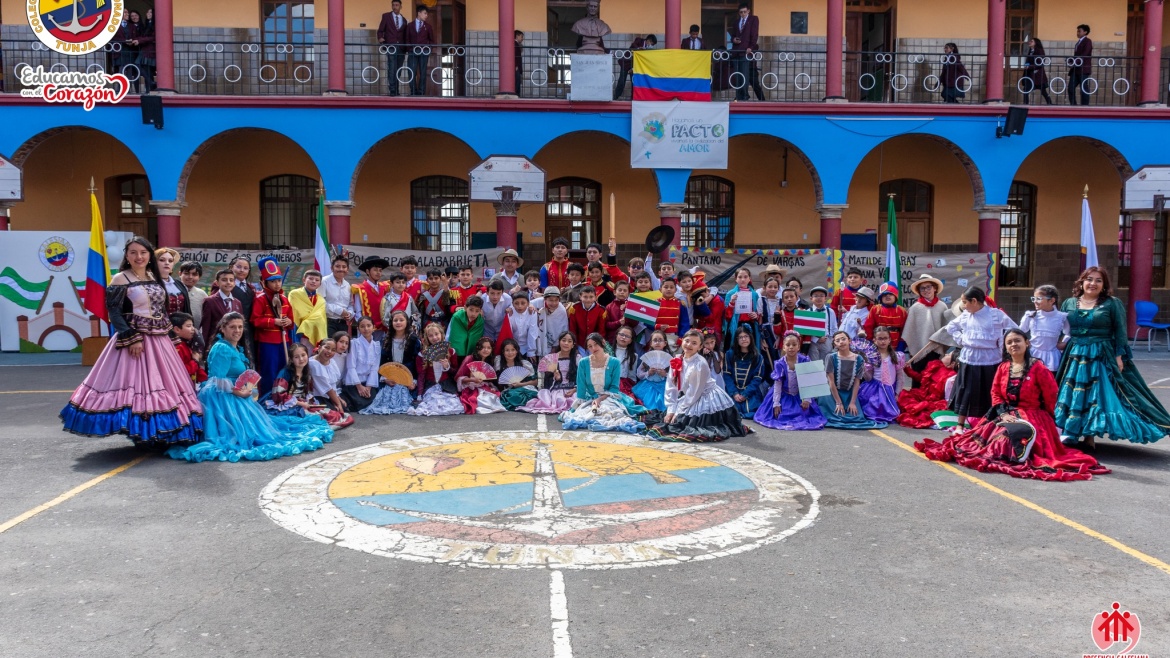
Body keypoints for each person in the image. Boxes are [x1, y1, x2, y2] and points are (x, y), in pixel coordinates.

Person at [62, 237, 204, 445]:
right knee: (137, 386)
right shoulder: (120, 278)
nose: (139, 257)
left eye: (143, 252)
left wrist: (170, 335)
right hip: (135, 339)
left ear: (149, 255)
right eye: (133, 252)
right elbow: (114, 312)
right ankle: (141, 431)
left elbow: (161, 309)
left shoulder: (153, 276)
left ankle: (163, 431)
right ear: (127, 256)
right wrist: (131, 338)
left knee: (164, 383)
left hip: (159, 340)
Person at [916, 329, 1109, 482]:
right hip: (1006, 413)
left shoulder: (1039, 368)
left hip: (1033, 416)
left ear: (1027, 343)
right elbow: (995, 393)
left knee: (1011, 441)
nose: (1014, 344)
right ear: (1006, 348)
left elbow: (1051, 396)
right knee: (982, 444)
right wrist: (1003, 413)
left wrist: (1050, 422)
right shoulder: (1003, 367)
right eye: (1009, 342)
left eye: (1017, 340)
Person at [166, 313, 333, 463]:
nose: (237, 330)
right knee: (240, 435)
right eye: (232, 327)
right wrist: (239, 392)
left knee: (264, 430)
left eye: (240, 327)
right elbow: (217, 379)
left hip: (234, 393)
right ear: (223, 328)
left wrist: (245, 390)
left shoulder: (233, 347)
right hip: (222, 396)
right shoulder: (222, 348)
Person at [1055, 267, 1170, 446]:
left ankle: (1090, 436)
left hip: (1102, 354)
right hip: (1074, 354)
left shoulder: (1112, 303)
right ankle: (1071, 433)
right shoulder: (1069, 303)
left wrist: (1119, 356)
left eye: (1098, 280)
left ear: (1104, 285)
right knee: (1071, 393)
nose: (1093, 283)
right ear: (1082, 282)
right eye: (1089, 279)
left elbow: (1120, 331)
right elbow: (1063, 329)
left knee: (1098, 395)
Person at [645, 329, 751, 442]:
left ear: (700, 347)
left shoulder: (700, 364)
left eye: (694, 343)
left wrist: (678, 412)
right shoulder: (676, 359)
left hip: (705, 396)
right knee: (668, 418)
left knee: (683, 422)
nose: (689, 345)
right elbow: (671, 386)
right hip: (689, 396)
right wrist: (671, 409)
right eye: (687, 341)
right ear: (682, 341)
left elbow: (694, 393)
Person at [946, 286, 1018, 432]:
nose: (963, 306)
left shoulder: (996, 314)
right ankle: (960, 425)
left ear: (974, 301)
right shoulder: (966, 315)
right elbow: (951, 327)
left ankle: (988, 424)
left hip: (990, 359)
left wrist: (1002, 342)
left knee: (989, 392)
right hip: (969, 358)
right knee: (966, 391)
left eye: (965, 302)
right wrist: (962, 339)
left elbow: (1014, 329)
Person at [560, 333, 648, 434]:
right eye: (590, 346)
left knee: (610, 413)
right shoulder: (583, 362)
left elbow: (614, 387)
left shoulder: (614, 362)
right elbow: (581, 385)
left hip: (608, 397)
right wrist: (581, 403)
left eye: (595, 344)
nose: (593, 348)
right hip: (590, 397)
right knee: (583, 415)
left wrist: (599, 399)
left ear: (603, 343)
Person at [262, 343, 352, 427]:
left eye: (303, 355)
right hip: (285, 403)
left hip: (301, 402)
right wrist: (299, 403)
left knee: (331, 415)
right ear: (291, 359)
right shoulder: (285, 373)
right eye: (296, 357)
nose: (301, 359)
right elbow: (278, 395)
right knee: (308, 421)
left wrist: (308, 402)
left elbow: (307, 392)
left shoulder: (306, 372)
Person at [755, 331, 826, 431]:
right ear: (784, 347)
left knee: (804, 414)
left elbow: (809, 381)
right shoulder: (780, 363)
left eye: (794, 345)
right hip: (783, 394)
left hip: (800, 395)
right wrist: (776, 403)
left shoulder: (804, 360)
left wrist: (807, 399)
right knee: (781, 414)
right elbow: (778, 385)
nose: (791, 347)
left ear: (798, 347)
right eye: (788, 345)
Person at [816, 331, 887, 429]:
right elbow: (831, 382)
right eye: (837, 340)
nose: (841, 342)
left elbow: (857, 382)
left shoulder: (859, 359)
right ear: (835, 344)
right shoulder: (831, 357)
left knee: (856, 417)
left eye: (843, 339)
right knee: (836, 417)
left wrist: (853, 402)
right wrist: (838, 403)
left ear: (849, 341)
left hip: (849, 394)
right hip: (831, 394)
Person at [362, 310, 420, 415]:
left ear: (407, 322)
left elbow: (417, 363)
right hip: (390, 379)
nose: (398, 322)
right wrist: (385, 379)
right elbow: (381, 362)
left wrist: (414, 381)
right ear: (391, 323)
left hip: (408, 379)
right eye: (395, 320)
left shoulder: (414, 340)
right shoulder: (386, 340)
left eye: (401, 320)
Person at [250, 257, 293, 397]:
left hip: (284, 341)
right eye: (273, 281)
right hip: (267, 342)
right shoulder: (260, 298)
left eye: (279, 280)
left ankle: (282, 397)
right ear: (265, 282)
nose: (277, 284)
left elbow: (291, 320)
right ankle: (266, 399)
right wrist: (274, 321)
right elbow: (255, 320)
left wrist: (288, 322)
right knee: (269, 371)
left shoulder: (284, 299)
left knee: (284, 371)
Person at [409, 322, 463, 416]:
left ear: (442, 334)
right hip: (430, 386)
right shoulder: (422, 355)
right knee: (432, 404)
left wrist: (447, 367)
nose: (434, 337)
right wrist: (420, 394)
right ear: (427, 338)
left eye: (436, 334)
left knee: (452, 405)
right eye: (430, 336)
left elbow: (456, 373)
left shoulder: (451, 352)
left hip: (447, 386)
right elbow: (421, 375)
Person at [517, 331, 578, 414]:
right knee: (559, 400)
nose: (566, 343)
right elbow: (546, 381)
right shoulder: (551, 358)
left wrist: (575, 389)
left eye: (569, 341)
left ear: (573, 345)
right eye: (563, 340)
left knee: (576, 400)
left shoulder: (577, 358)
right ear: (559, 342)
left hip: (573, 388)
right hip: (557, 389)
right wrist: (555, 378)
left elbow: (582, 377)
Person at [896, 348, 959, 429]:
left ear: (953, 363)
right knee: (903, 395)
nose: (945, 354)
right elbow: (921, 378)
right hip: (922, 395)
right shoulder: (936, 365)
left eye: (949, 355)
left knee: (920, 411)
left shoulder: (952, 377)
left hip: (934, 401)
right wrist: (907, 369)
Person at [903, 274, 951, 369]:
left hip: (937, 350)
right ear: (919, 291)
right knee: (919, 375)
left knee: (936, 375)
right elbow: (910, 331)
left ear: (935, 288)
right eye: (922, 288)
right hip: (919, 350)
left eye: (928, 287)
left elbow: (946, 328)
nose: (926, 290)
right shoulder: (915, 308)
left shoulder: (942, 306)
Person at [858, 327, 904, 424]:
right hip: (875, 389)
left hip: (890, 389)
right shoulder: (871, 357)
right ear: (874, 340)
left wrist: (897, 393)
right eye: (880, 339)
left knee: (894, 412)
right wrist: (864, 367)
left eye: (885, 338)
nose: (883, 341)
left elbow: (900, 377)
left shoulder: (897, 356)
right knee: (872, 408)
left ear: (889, 340)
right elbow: (869, 378)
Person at [1020, 284, 1069, 374]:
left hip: (1052, 358)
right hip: (1033, 355)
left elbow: (1069, 333)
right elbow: (1020, 332)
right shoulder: (1031, 316)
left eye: (1039, 298)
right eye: (1034, 298)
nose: (1035, 301)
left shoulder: (1062, 317)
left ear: (1052, 300)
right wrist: (1026, 342)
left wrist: (1064, 343)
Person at [340, 316, 381, 413]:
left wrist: (368, 387)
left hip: (368, 382)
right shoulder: (354, 343)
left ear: (374, 327)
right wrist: (359, 387)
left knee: (374, 401)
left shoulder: (376, 345)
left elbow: (374, 368)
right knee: (360, 404)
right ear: (358, 329)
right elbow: (351, 366)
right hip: (354, 382)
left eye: (369, 326)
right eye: (362, 326)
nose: (366, 329)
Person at [455, 337, 506, 414]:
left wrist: (491, 386)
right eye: (483, 347)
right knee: (474, 399)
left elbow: (490, 379)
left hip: (484, 386)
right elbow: (458, 378)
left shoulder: (490, 360)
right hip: (470, 387)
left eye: (489, 348)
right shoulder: (469, 358)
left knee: (494, 397)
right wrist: (472, 380)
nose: (486, 350)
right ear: (478, 348)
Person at [723, 326, 766, 416]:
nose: (744, 339)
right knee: (729, 411)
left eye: (746, 336)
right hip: (733, 390)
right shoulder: (729, 354)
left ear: (750, 337)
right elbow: (727, 375)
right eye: (740, 337)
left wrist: (745, 394)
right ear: (736, 339)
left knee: (752, 410)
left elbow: (757, 378)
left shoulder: (758, 357)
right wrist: (735, 393)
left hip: (750, 392)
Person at [308, 338, 351, 426]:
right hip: (317, 396)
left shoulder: (332, 362)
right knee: (334, 414)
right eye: (327, 348)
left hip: (329, 395)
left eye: (333, 350)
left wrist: (338, 398)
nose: (329, 351)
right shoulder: (313, 364)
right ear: (319, 347)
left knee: (346, 405)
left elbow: (333, 385)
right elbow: (327, 388)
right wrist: (338, 404)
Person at [728, 2, 762, 102]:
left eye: (744, 12)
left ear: (748, 11)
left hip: (746, 51)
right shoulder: (736, 22)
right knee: (737, 75)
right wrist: (734, 39)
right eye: (741, 12)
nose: (743, 14)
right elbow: (732, 35)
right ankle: (738, 96)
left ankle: (745, 96)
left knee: (744, 74)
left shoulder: (753, 19)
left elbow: (754, 34)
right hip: (736, 51)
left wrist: (751, 47)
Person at [632, 329, 672, 412]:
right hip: (648, 384)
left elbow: (675, 376)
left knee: (663, 403)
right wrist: (648, 373)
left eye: (660, 340)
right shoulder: (647, 357)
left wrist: (665, 374)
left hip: (664, 385)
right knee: (648, 403)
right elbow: (639, 373)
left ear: (665, 343)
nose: (657, 342)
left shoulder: (670, 358)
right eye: (655, 340)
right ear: (651, 343)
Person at [494, 338, 539, 410]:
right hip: (507, 390)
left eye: (513, 350)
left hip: (524, 388)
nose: (510, 353)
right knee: (512, 394)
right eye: (507, 350)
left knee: (517, 394)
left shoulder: (524, 364)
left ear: (517, 351)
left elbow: (535, 382)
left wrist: (520, 384)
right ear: (503, 351)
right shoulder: (499, 362)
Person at [289, 269, 329, 350]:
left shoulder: (321, 300)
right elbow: (297, 313)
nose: (313, 281)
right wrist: (308, 323)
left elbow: (321, 319)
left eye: (317, 280)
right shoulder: (294, 294)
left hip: (315, 333)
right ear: (304, 280)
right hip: (300, 332)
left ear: (320, 284)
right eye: (310, 279)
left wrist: (307, 322)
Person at [201, 269, 242, 347]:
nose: (228, 282)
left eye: (231, 280)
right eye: (224, 280)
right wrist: (204, 348)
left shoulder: (237, 303)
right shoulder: (210, 301)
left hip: (233, 344)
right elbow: (206, 327)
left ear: (234, 283)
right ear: (217, 283)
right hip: (215, 343)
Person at [353, 255, 391, 339]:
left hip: (383, 328)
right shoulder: (360, 289)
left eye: (380, 270)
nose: (378, 273)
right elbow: (358, 312)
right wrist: (364, 327)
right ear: (367, 271)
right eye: (375, 270)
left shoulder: (385, 288)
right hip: (366, 330)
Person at [865, 282, 908, 350]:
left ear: (895, 296)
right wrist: (871, 343)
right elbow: (868, 327)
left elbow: (905, 330)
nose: (887, 296)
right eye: (884, 295)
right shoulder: (875, 309)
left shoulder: (902, 311)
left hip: (896, 345)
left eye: (890, 294)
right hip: (878, 345)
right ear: (881, 297)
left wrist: (901, 345)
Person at [377, 0, 408, 96]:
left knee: (398, 69)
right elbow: (380, 30)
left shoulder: (404, 20)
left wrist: (406, 47)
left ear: (400, 6)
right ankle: (392, 90)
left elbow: (405, 34)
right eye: (393, 5)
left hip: (401, 48)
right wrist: (380, 38)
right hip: (391, 46)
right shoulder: (386, 16)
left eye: (397, 5)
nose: (395, 7)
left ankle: (397, 89)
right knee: (392, 67)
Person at [613, 34, 657, 100]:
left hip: (634, 66)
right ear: (648, 40)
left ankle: (632, 99)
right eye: (652, 44)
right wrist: (639, 49)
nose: (651, 45)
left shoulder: (648, 49)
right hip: (626, 63)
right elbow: (633, 45)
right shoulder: (639, 40)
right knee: (621, 82)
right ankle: (615, 97)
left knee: (634, 82)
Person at [446, 295, 485, 367]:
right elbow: (453, 335)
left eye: (477, 311)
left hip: (471, 353)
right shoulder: (457, 317)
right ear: (465, 308)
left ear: (480, 311)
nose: (473, 314)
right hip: (457, 352)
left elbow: (477, 338)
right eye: (471, 310)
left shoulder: (480, 320)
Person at [405, 4, 435, 96]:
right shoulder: (410, 25)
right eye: (425, 13)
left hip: (424, 52)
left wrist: (428, 49)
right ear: (419, 13)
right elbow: (407, 39)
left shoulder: (428, 26)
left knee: (423, 72)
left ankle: (421, 92)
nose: (426, 16)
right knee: (411, 72)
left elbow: (432, 40)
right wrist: (410, 49)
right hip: (412, 52)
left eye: (427, 14)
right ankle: (413, 91)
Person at [323, 254, 356, 337]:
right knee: (330, 345)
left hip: (343, 323)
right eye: (338, 266)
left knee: (342, 345)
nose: (341, 269)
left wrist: (349, 314)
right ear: (332, 268)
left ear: (347, 269)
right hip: (327, 322)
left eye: (344, 267)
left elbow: (350, 304)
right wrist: (340, 311)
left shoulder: (347, 285)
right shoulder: (324, 282)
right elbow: (320, 303)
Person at [170, 312, 207, 385]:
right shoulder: (177, 347)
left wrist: (205, 381)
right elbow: (180, 371)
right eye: (189, 326)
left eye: (193, 325)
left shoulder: (187, 344)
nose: (193, 329)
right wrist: (195, 361)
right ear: (177, 329)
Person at [805, 286, 838, 361]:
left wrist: (833, 341)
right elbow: (806, 330)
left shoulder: (830, 311)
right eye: (816, 296)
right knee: (814, 363)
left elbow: (834, 328)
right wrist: (816, 339)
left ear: (825, 298)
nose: (819, 298)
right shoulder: (808, 312)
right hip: (813, 342)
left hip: (827, 340)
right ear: (811, 298)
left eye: (821, 296)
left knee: (827, 361)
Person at [154, 248, 190, 316]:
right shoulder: (150, 284)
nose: (167, 263)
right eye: (162, 260)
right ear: (154, 263)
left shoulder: (179, 284)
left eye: (170, 261)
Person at [506, 292, 541, 359]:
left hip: (526, 347)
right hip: (512, 347)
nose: (520, 306)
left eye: (523, 303)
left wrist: (531, 352)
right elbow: (508, 332)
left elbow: (532, 333)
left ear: (528, 303)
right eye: (516, 303)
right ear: (512, 304)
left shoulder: (532, 312)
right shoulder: (510, 312)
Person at [536, 287, 570, 355]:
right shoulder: (538, 302)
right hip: (539, 340)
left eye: (556, 300)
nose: (554, 303)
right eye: (551, 300)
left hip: (555, 343)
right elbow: (527, 304)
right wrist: (531, 306)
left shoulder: (561, 310)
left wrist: (556, 345)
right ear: (545, 299)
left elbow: (564, 328)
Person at [613, 325, 642, 399]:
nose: (623, 338)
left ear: (630, 341)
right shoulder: (608, 352)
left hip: (623, 385)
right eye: (621, 334)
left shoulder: (633, 356)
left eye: (627, 336)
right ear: (616, 336)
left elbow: (632, 376)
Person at [1023, 37, 1052, 105]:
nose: (1030, 42)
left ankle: (1050, 103)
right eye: (1030, 41)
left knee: (1043, 91)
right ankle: (1025, 104)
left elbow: (1040, 63)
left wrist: (1030, 66)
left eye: (1032, 41)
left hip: (1038, 75)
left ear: (1036, 43)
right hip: (1030, 74)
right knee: (1026, 90)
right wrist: (1027, 65)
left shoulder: (1039, 51)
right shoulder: (1031, 50)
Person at [178, 261, 207, 330]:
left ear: (199, 276)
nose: (190, 277)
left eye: (194, 274)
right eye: (186, 273)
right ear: (180, 274)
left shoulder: (202, 295)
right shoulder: (173, 292)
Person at [1069, 24, 1092, 106]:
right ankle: (1073, 105)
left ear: (1085, 32)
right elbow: (1077, 55)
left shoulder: (1088, 41)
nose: (1077, 33)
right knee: (1070, 88)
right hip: (1076, 69)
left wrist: (1075, 62)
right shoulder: (1078, 42)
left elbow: (1085, 54)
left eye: (1079, 31)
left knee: (1083, 88)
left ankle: (1085, 106)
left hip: (1083, 68)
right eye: (1077, 31)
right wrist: (1071, 60)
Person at [513, 31, 525, 96]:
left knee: (517, 81)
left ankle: (517, 94)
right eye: (521, 36)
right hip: (516, 67)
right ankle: (516, 95)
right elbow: (514, 55)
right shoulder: (515, 44)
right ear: (517, 36)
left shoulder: (516, 44)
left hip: (516, 66)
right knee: (517, 81)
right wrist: (515, 65)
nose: (522, 38)